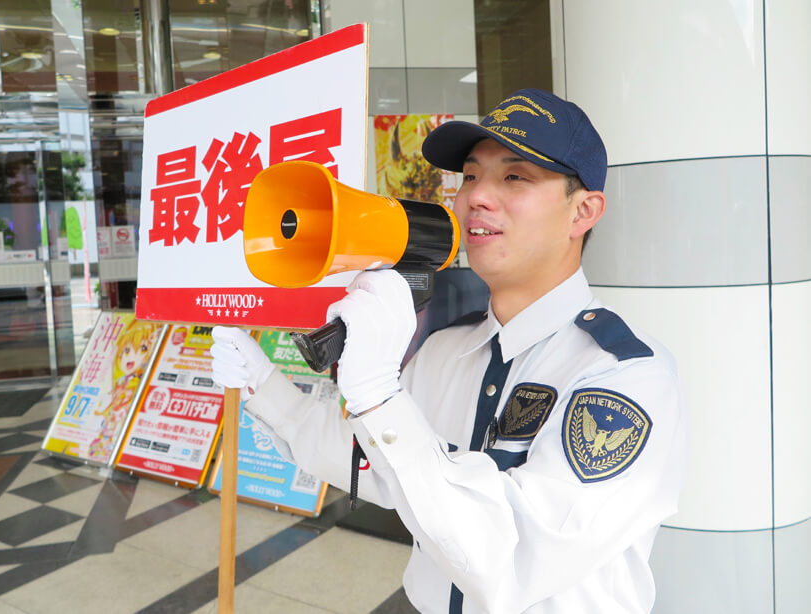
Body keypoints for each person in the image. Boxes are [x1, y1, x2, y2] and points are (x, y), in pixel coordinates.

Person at [211, 88, 688, 614]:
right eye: (470, 175)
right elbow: (378, 467)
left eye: (514, 176)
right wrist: (263, 385)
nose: (477, 197)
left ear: (583, 211)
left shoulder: (624, 377)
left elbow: (510, 561)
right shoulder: (444, 350)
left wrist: (378, 394)